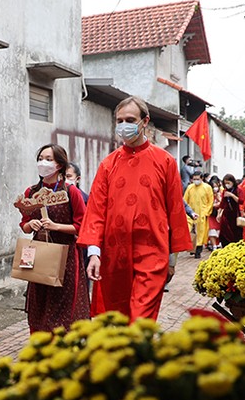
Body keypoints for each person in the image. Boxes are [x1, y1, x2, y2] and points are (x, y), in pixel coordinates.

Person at [78, 96, 191, 321]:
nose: (123, 126)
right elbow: (96, 211)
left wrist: (171, 260)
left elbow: (176, 212)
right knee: (115, 321)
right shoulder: (108, 164)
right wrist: (93, 254)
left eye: (130, 119)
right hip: (113, 256)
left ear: (144, 121)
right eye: (119, 121)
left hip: (152, 253)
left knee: (141, 319)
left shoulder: (165, 162)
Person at [18, 144, 89, 333]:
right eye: (41, 158)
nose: (43, 163)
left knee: (63, 307)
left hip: (66, 258)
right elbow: (24, 224)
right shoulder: (31, 192)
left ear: (60, 164)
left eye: (49, 159)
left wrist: (56, 226)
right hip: (38, 254)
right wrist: (30, 225)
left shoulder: (70, 192)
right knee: (38, 305)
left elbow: (82, 227)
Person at [184, 171, 214, 258]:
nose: (196, 180)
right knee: (190, 231)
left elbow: (210, 201)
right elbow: (185, 200)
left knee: (201, 232)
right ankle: (192, 248)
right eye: (194, 179)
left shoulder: (207, 187)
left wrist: (206, 212)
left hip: (202, 213)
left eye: (198, 179)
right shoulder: (190, 188)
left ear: (202, 179)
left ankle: (198, 250)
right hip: (191, 213)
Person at [218, 174, 243, 247]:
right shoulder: (225, 191)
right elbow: (222, 203)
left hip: (235, 213)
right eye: (225, 183)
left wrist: (231, 195)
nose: (227, 185)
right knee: (224, 232)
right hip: (226, 214)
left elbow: (241, 201)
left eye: (228, 183)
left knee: (236, 233)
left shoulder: (238, 190)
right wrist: (219, 213)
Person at [208, 177, 223, 250]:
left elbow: (222, 203)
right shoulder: (208, 194)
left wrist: (218, 198)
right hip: (211, 214)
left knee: (218, 230)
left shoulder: (221, 193)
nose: (215, 188)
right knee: (211, 230)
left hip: (219, 214)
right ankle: (214, 245)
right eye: (213, 187)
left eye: (216, 186)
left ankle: (218, 243)